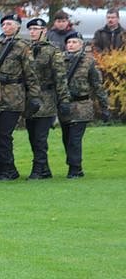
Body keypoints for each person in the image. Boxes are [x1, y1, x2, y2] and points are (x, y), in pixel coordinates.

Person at [0, 14, 41, 180]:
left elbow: (31, 73)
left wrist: (34, 96)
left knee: (4, 134)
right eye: (4, 24)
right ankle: (5, 167)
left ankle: (7, 169)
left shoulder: (23, 46)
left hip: (13, 96)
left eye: (10, 24)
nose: (6, 27)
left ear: (18, 26)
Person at [25, 18, 71, 179]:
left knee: (40, 137)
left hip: (46, 98)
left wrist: (64, 99)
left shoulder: (53, 50)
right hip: (30, 99)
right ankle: (45, 169)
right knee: (32, 136)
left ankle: (38, 169)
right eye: (30, 29)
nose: (32, 32)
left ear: (44, 31)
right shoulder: (26, 49)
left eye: (35, 29)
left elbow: (60, 77)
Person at [61, 32, 110, 177]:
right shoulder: (59, 60)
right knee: (66, 138)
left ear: (81, 44)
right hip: (64, 105)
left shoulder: (89, 61)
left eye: (74, 42)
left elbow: (97, 85)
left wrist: (104, 106)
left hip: (82, 104)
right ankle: (74, 164)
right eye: (69, 42)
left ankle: (75, 168)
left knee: (75, 139)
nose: (71, 45)